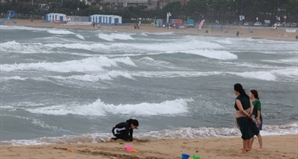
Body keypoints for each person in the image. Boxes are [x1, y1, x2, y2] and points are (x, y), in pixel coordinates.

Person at [233, 83, 259, 154]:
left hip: (241, 117)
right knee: (247, 132)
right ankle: (247, 148)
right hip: (249, 116)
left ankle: (244, 150)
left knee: (244, 133)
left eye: (234, 89)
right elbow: (251, 106)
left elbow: (241, 110)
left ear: (236, 90)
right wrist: (250, 114)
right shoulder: (247, 96)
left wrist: (247, 115)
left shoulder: (238, 99)